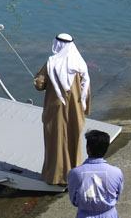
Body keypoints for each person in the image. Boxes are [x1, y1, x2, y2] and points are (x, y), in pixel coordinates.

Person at [33, 33, 91, 186]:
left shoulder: (51, 63)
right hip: (75, 111)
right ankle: (75, 174)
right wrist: (84, 110)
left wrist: (37, 79)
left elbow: (39, 84)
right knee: (74, 140)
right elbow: (87, 89)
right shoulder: (80, 64)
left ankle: (56, 177)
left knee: (56, 142)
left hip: (55, 111)